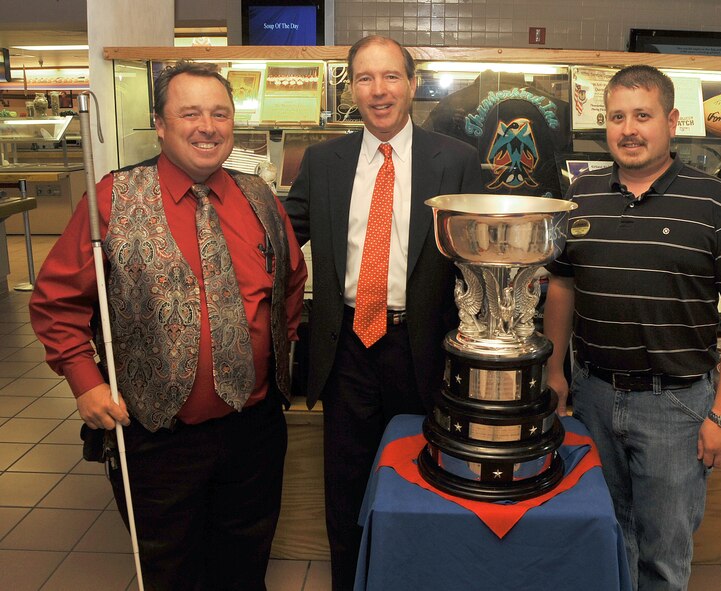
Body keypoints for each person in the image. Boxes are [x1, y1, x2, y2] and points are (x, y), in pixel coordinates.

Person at [30, 61, 307, 590]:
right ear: (159, 124)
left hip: (252, 432)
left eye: (220, 114)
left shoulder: (261, 199)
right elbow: (56, 301)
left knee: (245, 565)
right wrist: (85, 382)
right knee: (170, 573)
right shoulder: (112, 199)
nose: (208, 127)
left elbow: (290, 284)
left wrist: (276, 347)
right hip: (157, 437)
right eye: (190, 113)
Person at [543, 65, 721, 591]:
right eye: (617, 117)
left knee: (664, 557)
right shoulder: (581, 194)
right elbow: (562, 287)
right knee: (603, 540)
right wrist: (554, 371)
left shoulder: (715, 201)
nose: (628, 129)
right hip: (593, 396)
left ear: (671, 121)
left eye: (642, 116)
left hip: (676, 407)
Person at [283, 35, 483, 590]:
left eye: (391, 76)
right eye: (365, 78)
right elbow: (282, 235)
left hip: (423, 351)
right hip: (345, 349)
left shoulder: (456, 161)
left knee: (423, 481)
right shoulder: (324, 161)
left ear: (412, 85)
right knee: (345, 488)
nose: (379, 90)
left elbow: (477, 261)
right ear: (352, 88)